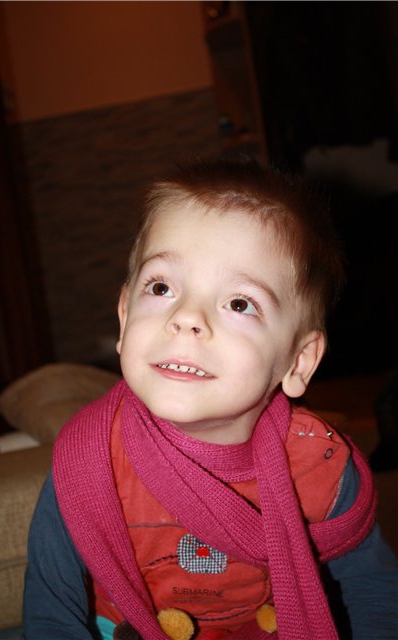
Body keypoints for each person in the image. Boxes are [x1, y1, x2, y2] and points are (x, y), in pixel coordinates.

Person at [23, 157, 397, 640]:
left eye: (239, 303)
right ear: (124, 316)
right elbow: (51, 617)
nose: (186, 317)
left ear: (298, 361)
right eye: (162, 287)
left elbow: (372, 594)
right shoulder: (85, 462)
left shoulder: (322, 470)